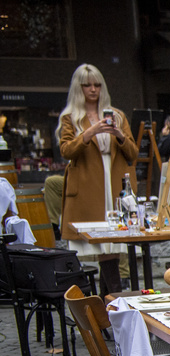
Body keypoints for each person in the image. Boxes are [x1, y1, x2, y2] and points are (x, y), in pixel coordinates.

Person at [56, 63, 139, 290]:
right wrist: (89, 132)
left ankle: (109, 303)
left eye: (97, 84)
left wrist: (119, 135)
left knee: (111, 248)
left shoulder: (117, 115)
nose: (93, 89)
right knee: (104, 247)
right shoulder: (70, 117)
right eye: (87, 85)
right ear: (78, 88)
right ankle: (113, 301)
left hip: (114, 183)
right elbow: (66, 151)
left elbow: (133, 153)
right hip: (88, 185)